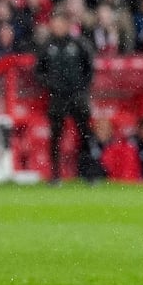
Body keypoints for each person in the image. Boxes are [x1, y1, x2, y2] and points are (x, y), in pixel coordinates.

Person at [35, 10, 99, 184]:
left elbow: (90, 68)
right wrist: (51, 85)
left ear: (66, 25)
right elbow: (39, 71)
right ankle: (55, 175)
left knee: (85, 135)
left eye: (58, 24)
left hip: (77, 97)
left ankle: (89, 174)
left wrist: (81, 88)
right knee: (56, 136)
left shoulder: (79, 44)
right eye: (53, 24)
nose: (56, 27)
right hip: (57, 98)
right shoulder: (47, 46)